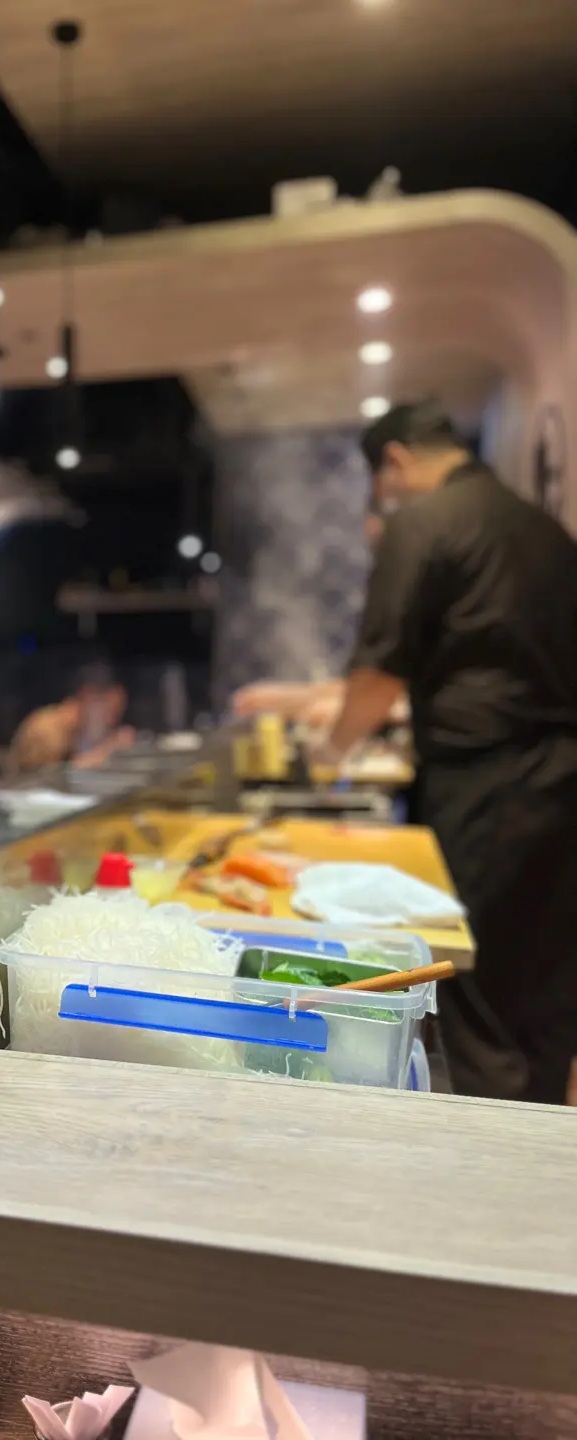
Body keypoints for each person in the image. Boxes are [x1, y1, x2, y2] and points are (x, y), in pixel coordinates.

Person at [322, 400, 577, 1103]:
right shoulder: (544, 528)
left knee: (475, 986)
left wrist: (328, 753)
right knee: (545, 987)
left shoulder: (425, 521)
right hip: (562, 782)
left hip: (485, 786)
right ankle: (546, 1146)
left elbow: (379, 673)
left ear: (395, 461)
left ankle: (488, 1156)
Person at [7, 663, 135, 774]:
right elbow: (45, 780)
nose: (112, 722)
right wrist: (106, 749)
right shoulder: (48, 728)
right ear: (88, 695)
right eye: (111, 712)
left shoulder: (82, 728)